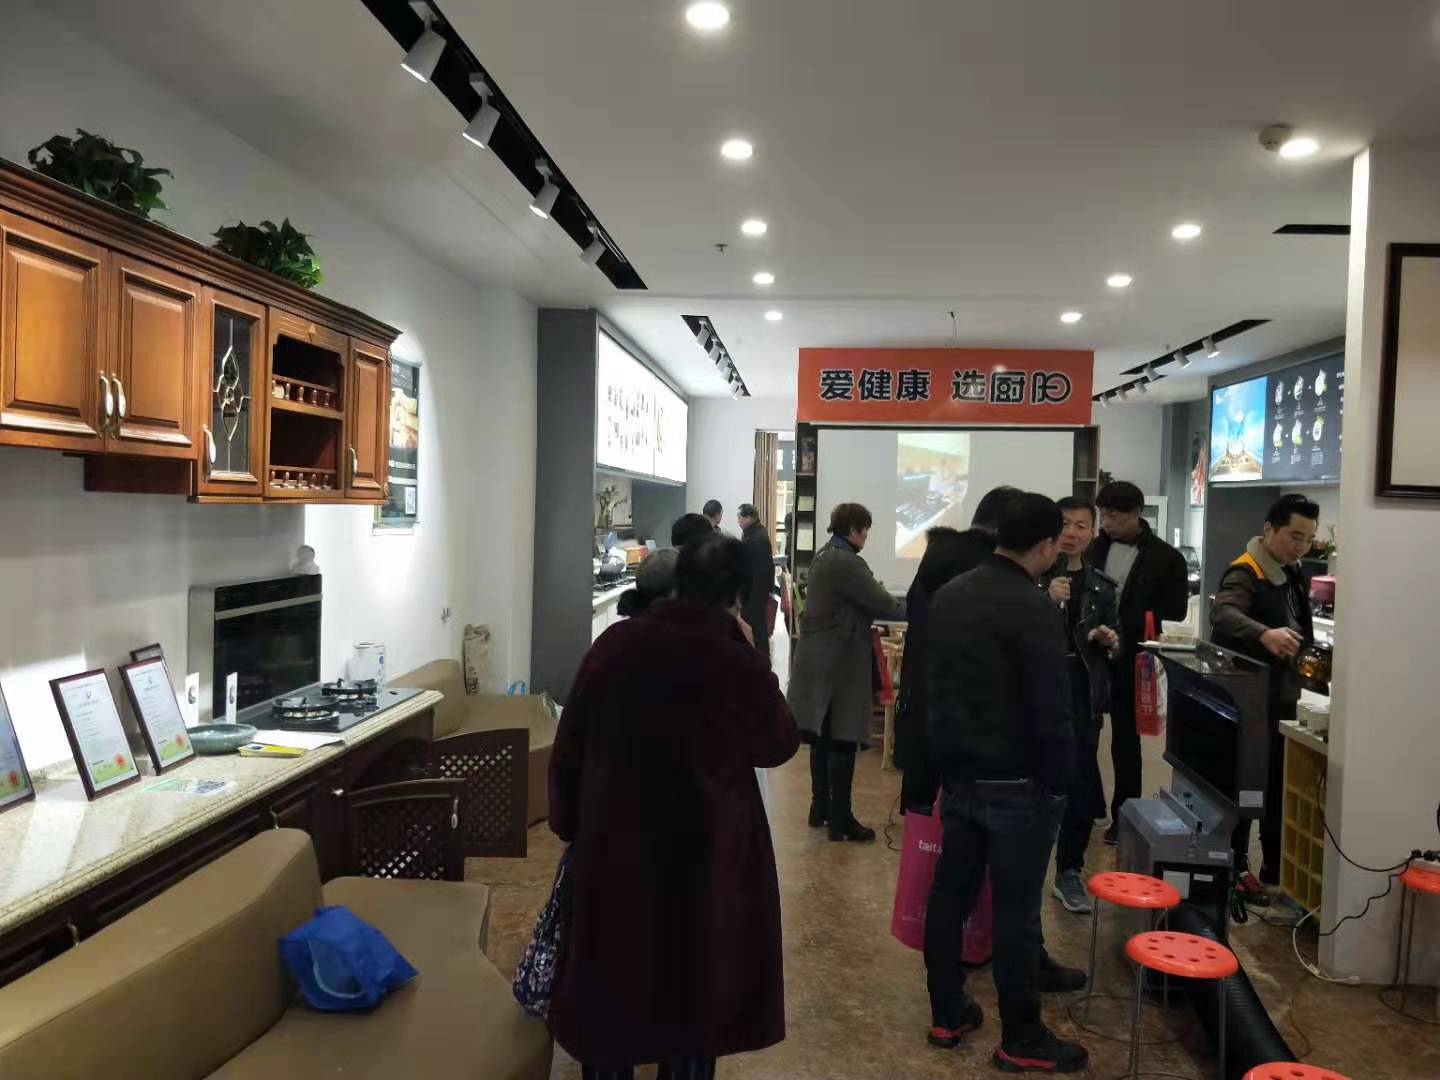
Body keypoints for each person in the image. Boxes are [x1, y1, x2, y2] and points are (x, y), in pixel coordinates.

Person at [548, 536, 801, 1079]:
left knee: (612, 990)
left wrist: (570, 823)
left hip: (616, 848)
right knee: (694, 998)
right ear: (736, 595)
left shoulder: (616, 645)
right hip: (704, 860)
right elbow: (778, 742)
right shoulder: (730, 659)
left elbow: (571, 744)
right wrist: (752, 655)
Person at [924, 492, 1088, 1074]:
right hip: (1019, 782)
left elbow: (933, 684)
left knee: (950, 895)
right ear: (1044, 546)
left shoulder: (951, 594)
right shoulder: (1034, 607)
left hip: (960, 773)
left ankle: (947, 1012)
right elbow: (1051, 708)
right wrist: (1061, 780)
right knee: (1016, 913)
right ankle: (1022, 1036)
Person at [1210, 492, 1318, 899]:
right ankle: (1236, 866)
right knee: (1249, 780)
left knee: (1278, 783)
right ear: (1269, 529)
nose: (1301, 546)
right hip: (1251, 698)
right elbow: (1223, 613)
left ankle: (1275, 865)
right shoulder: (1247, 570)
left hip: (1284, 696)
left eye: (1308, 539)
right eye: (1294, 536)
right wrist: (1263, 634)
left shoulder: (1292, 571)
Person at [894, 485, 1021, 814]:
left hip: (925, 689)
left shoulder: (936, 555)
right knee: (961, 811)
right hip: (969, 705)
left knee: (923, 799)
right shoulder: (988, 569)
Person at [787, 502, 905, 842]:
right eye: (865, 530)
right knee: (843, 736)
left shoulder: (825, 555)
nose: (867, 536)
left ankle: (821, 807)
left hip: (821, 658)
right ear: (854, 529)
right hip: (839, 661)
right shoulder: (847, 561)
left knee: (823, 736)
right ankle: (841, 818)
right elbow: (882, 602)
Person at [1088, 480, 1190, 843]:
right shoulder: (1094, 548)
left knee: (1126, 739)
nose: (1106, 523)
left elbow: (1177, 610)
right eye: (1102, 515)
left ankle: (1124, 812)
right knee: (1086, 733)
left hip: (1133, 656)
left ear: (1135, 514)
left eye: (1113, 516)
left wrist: (1136, 617)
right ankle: (1089, 804)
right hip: (1091, 652)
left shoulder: (1166, 558)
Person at [1039, 497, 1120, 914]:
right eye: (1065, 524)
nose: (1071, 533)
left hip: (1083, 691)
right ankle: (1023, 869)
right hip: (1039, 692)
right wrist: (1045, 601)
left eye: (1081, 525)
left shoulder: (1102, 586)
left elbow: (1119, 642)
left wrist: (1110, 639)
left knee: (1080, 784)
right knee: (1037, 783)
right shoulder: (1031, 578)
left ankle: (1069, 871)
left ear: (1092, 531)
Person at [736, 503, 776, 657]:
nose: (738, 521)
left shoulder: (756, 537)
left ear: (748, 518)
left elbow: (759, 567)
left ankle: (759, 657)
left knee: (755, 625)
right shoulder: (754, 532)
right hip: (755, 588)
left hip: (755, 589)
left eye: (740, 518)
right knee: (755, 624)